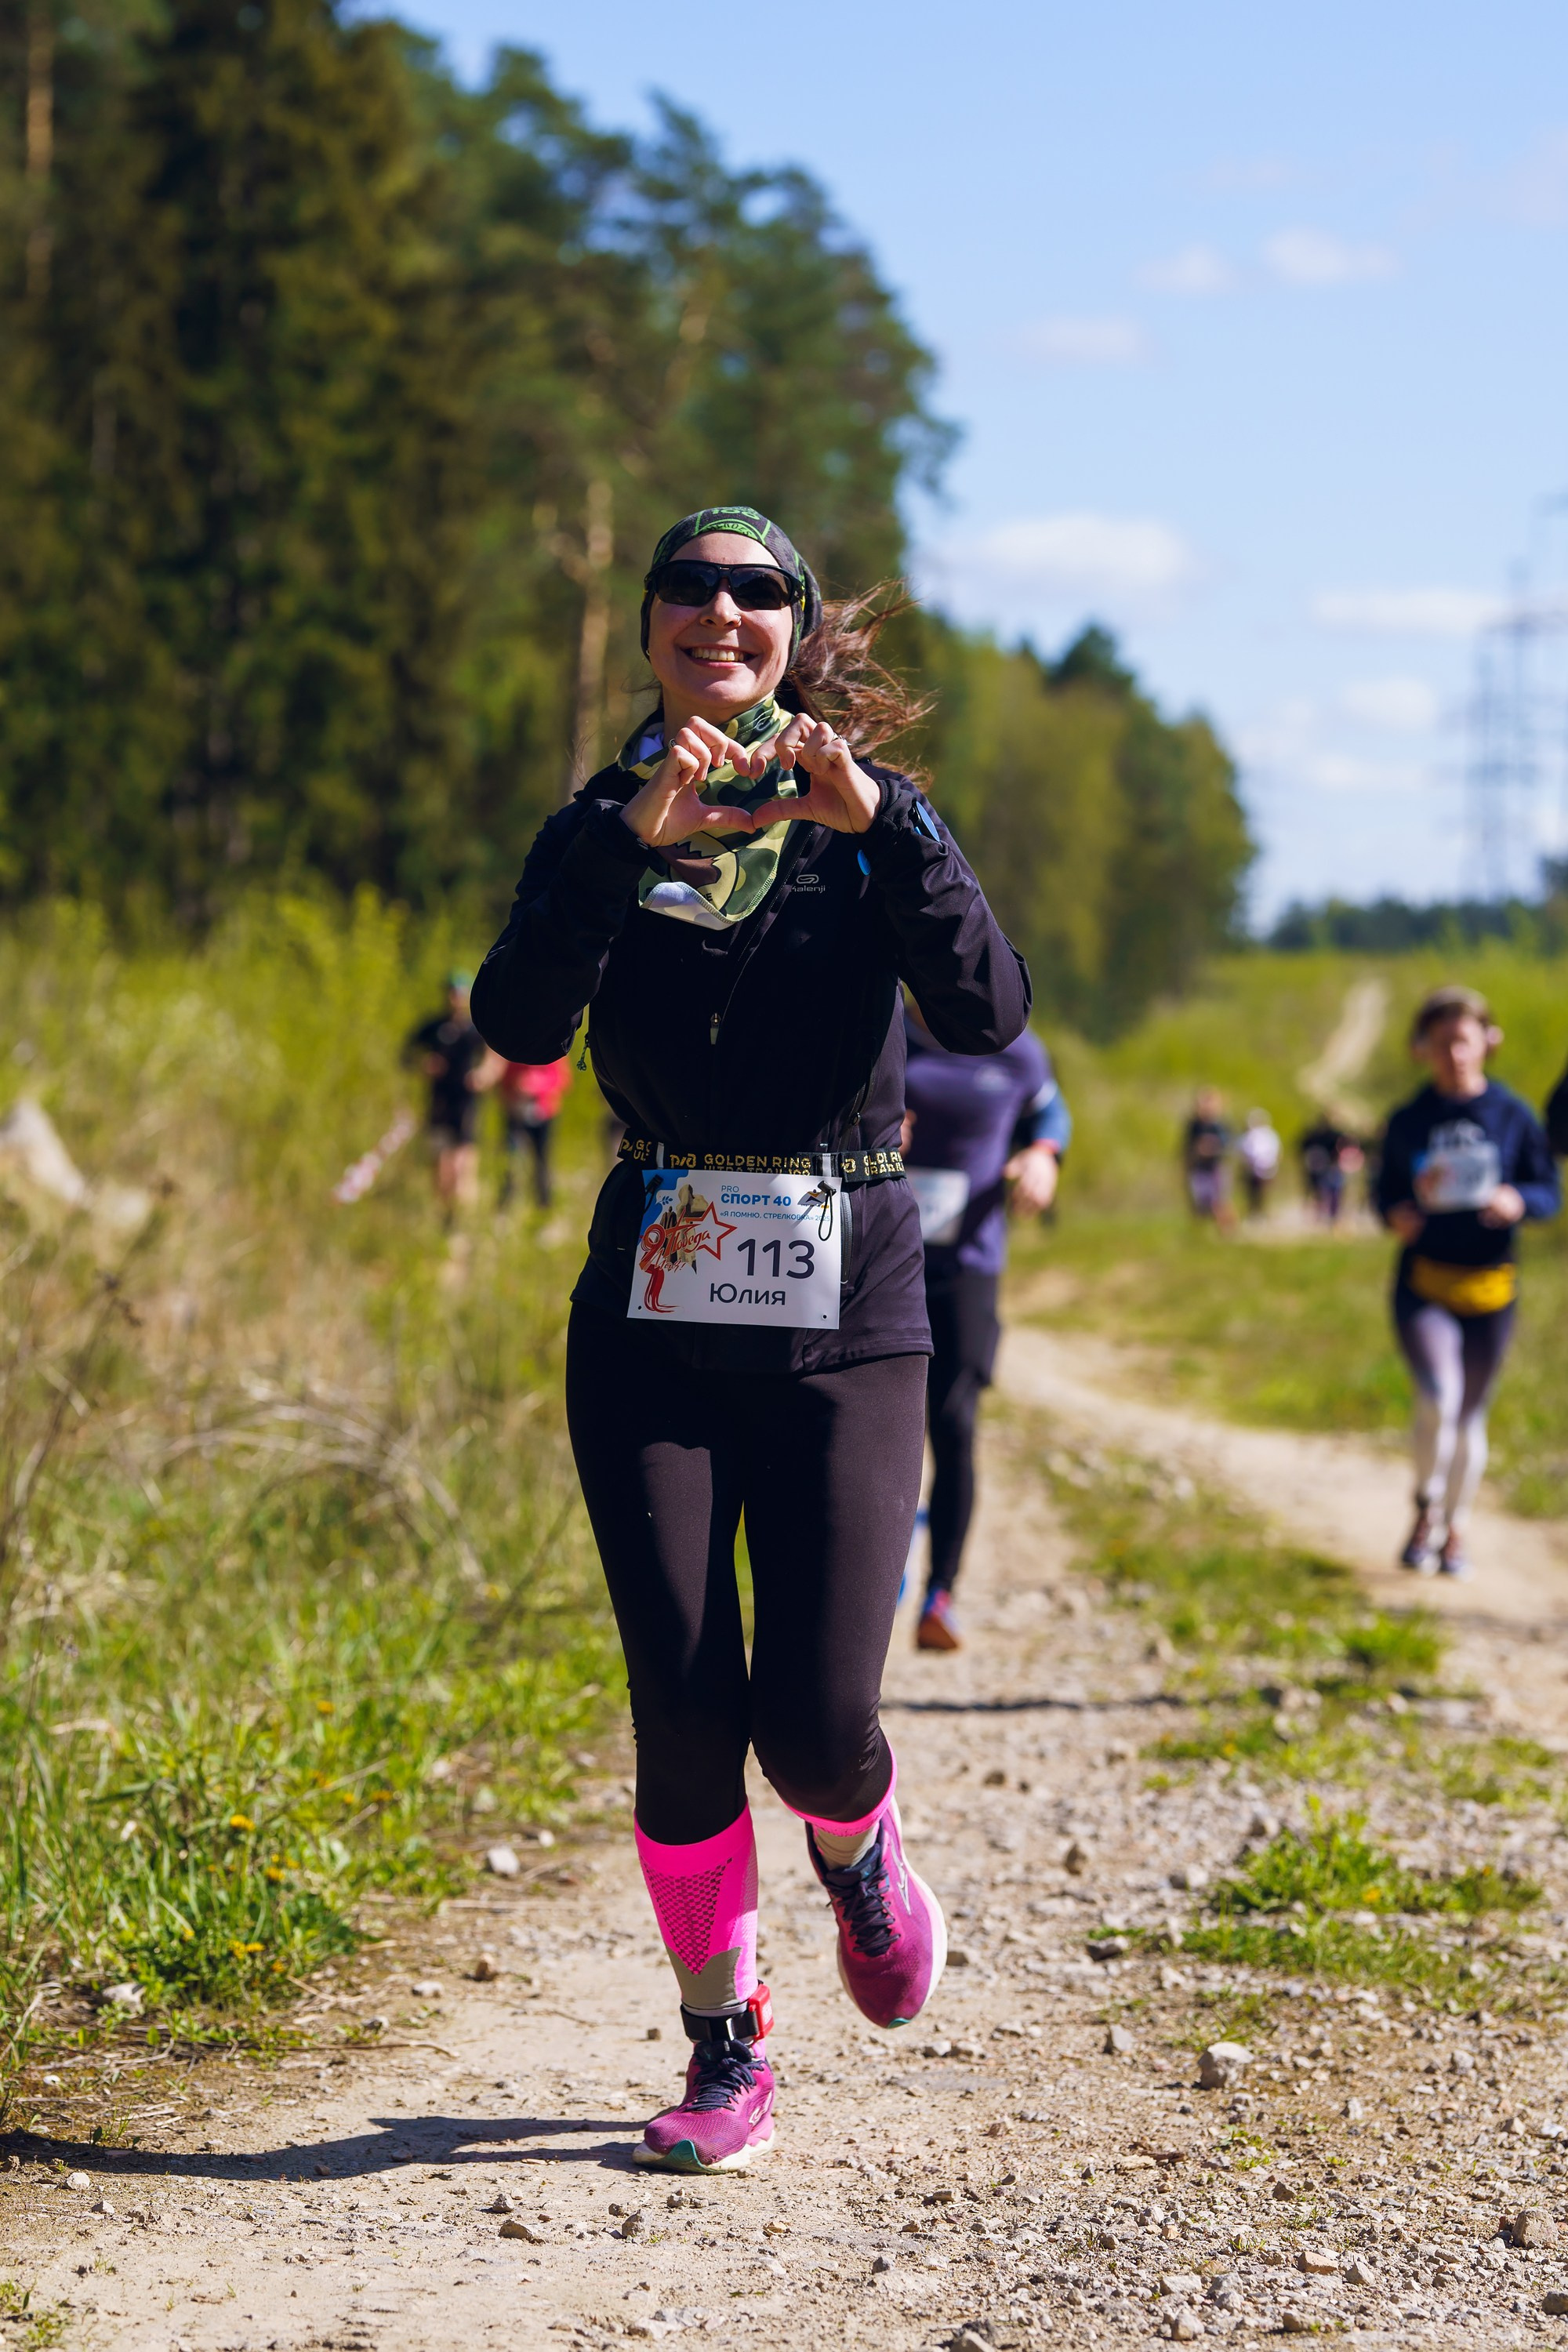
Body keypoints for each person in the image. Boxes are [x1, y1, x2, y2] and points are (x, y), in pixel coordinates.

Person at [471, 504, 1028, 2174]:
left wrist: (895, 823)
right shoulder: (605, 820)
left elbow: (987, 1012)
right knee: (683, 1709)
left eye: (755, 590)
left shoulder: (862, 827)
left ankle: (861, 1855)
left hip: (848, 1309)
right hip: (646, 1308)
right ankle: (725, 2046)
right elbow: (514, 1023)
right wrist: (615, 853)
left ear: (794, 628)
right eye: (690, 589)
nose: (721, 611)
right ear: (650, 625)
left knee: (808, 1720)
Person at [901, 1005, 1071, 1652]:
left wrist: (1044, 1154)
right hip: (874, 1258)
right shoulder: (879, 1019)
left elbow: (1051, 1110)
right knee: (870, 1423)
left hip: (966, 1264)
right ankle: (873, 1574)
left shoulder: (1013, 1044)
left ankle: (940, 1592)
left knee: (954, 1421)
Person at [1374, 984, 1559, 1579]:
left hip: (1491, 1289)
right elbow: (1383, 1193)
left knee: (1469, 1417)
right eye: (1442, 1042)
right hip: (1425, 1285)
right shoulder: (1408, 1120)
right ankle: (1425, 1507)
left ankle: (1456, 1530)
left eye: (1464, 1039)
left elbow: (1548, 1193)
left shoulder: (1513, 1115)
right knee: (1439, 1399)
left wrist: (1517, 1200)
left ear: (1488, 1041)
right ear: (1421, 1048)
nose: (1454, 1053)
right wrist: (1395, 1213)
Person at [407, 973, 488, 1215]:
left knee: (463, 1160)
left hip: (466, 1102)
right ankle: (444, 1212)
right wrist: (425, 1063)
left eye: (460, 993)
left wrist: (483, 1074)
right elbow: (407, 1055)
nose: (455, 998)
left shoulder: (476, 1029)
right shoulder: (434, 1027)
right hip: (439, 1101)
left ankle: (462, 1214)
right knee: (441, 1160)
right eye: (452, 993)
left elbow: (494, 1056)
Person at [494, 1055, 572, 1208]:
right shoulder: (514, 1053)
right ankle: (507, 1201)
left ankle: (543, 1203)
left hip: (543, 1113)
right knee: (511, 1158)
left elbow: (562, 1080)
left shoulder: (553, 1052)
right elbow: (504, 1081)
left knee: (542, 1160)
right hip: (516, 1114)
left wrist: (535, 1085)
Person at [1182, 1088, 1232, 1225]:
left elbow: (1228, 1144)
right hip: (1198, 1167)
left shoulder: (1220, 1125)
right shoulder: (1194, 1125)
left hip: (1215, 1166)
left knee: (1219, 1203)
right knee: (1199, 1203)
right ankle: (1202, 1234)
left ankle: (1228, 1231)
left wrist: (1211, 1148)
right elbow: (1186, 1146)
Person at [1299, 1112, 1348, 1225]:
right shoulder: (1317, 1136)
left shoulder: (1333, 1135)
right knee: (1320, 1192)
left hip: (1330, 1166)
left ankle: (1331, 1216)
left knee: (1332, 1193)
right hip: (1320, 1167)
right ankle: (1320, 1215)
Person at [1236, 1108, 1281, 1218]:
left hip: (1266, 1168)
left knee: (1263, 1193)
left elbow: (1276, 1152)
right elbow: (1241, 1152)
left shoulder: (1269, 1135)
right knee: (1251, 1192)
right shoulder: (1247, 1136)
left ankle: (1263, 1212)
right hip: (1251, 1169)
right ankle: (1253, 1212)